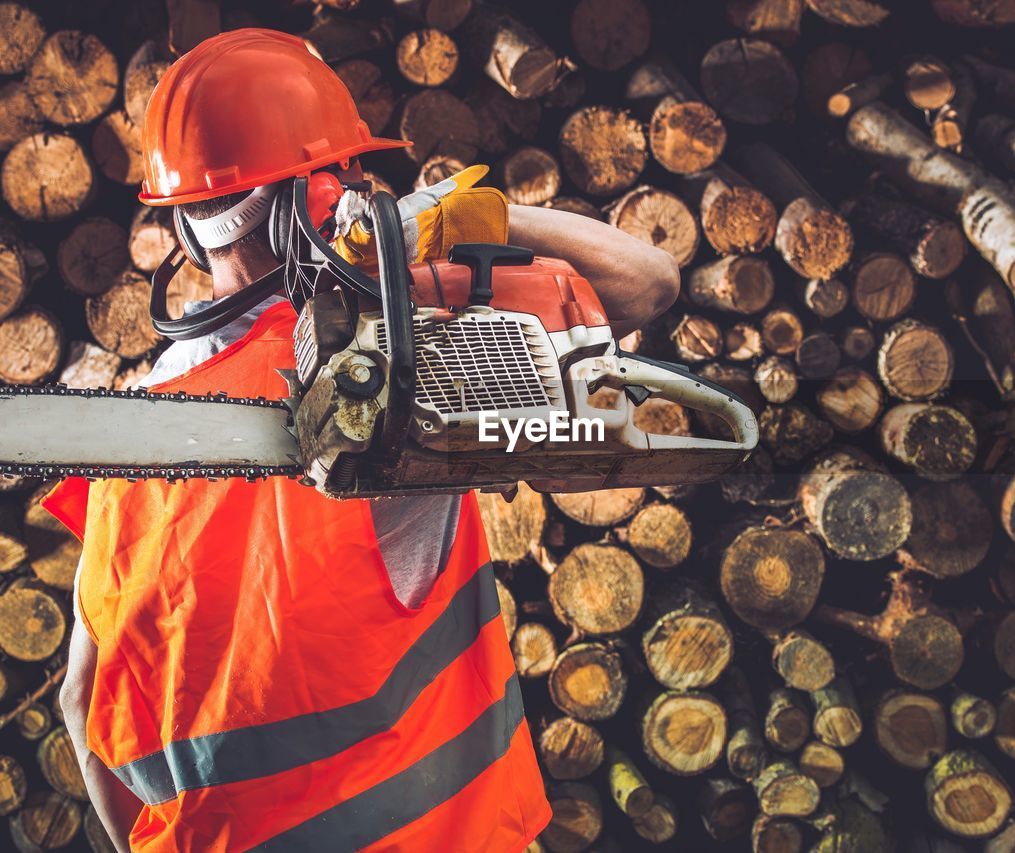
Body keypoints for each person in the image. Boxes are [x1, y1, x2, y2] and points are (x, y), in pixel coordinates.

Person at [43, 29, 678, 853]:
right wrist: (462, 219)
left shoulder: (129, 437)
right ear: (323, 192)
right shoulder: (401, 360)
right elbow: (648, 282)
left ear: (188, 230)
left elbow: (78, 701)